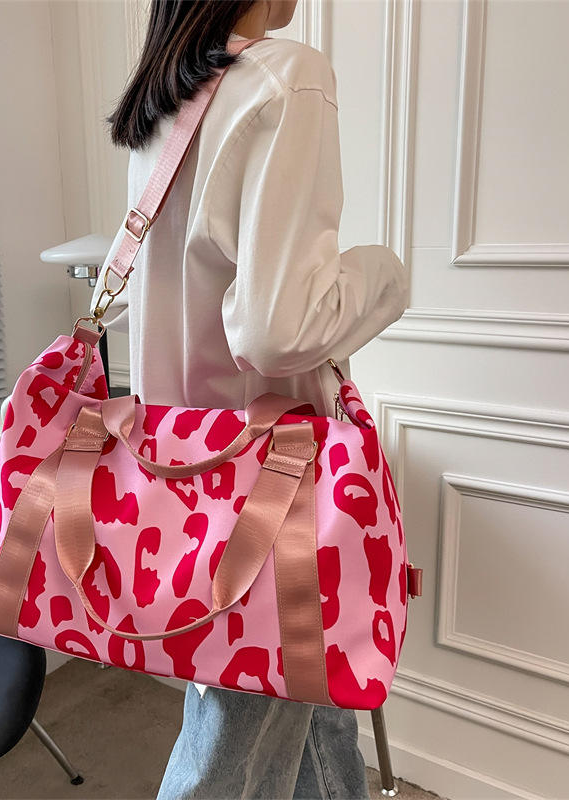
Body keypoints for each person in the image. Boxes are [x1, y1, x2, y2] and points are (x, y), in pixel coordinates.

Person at [91, 1, 410, 798]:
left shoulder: (171, 99)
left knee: (305, 711)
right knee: (228, 756)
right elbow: (276, 332)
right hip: (266, 483)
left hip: (182, 474)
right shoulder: (286, 77)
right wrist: (385, 275)